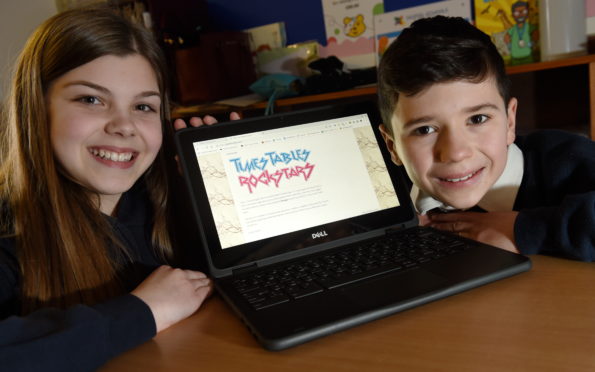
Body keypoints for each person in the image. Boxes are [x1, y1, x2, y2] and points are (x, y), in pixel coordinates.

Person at [0, 7, 216, 371]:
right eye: (91, 100)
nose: (124, 126)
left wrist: (217, 203)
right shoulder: (9, 232)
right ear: (36, 108)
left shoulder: (163, 204)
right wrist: (143, 311)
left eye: (143, 106)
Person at [377, 16, 594, 261]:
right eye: (425, 130)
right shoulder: (387, 199)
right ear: (392, 145)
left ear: (510, 122)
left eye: (477, 119)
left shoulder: (568, 160)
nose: (455, 153)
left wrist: (524, 230)